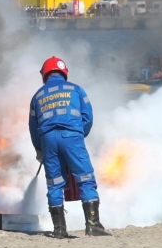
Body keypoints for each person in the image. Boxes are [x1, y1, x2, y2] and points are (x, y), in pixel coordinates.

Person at [28, 56, 105, 238]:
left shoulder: (37, 96)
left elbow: (33, 127)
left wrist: (40, 150)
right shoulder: (77, 90)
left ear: (45, 74)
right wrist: (79, 134)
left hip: (48, 140)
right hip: (72, 137)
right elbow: (88, 117)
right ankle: (93, 225)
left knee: (54, 183)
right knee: (85, 177)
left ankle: (59, 229)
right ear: (64, 72)